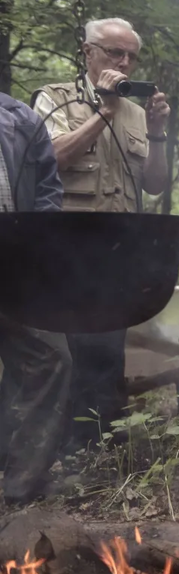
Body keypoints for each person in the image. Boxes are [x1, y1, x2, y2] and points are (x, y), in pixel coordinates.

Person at [33, 17, 172, 454]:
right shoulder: (55, 99)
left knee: (109, 353)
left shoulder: (137, 108)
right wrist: (103, 112)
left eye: (131, 55)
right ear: (87, 51)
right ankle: (52, 451)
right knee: (65, 354)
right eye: (115, 52)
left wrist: (157, 133)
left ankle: (99, 451)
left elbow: (155, 184)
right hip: (65, 249)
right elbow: (49, 157)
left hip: (118, 251)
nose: (125, 63)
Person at [0, 92, 72, 505]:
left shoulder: (20, 118)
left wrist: (34, 245)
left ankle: (22, 488)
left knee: (50, 356)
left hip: (17, 265)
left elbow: (48, 187)